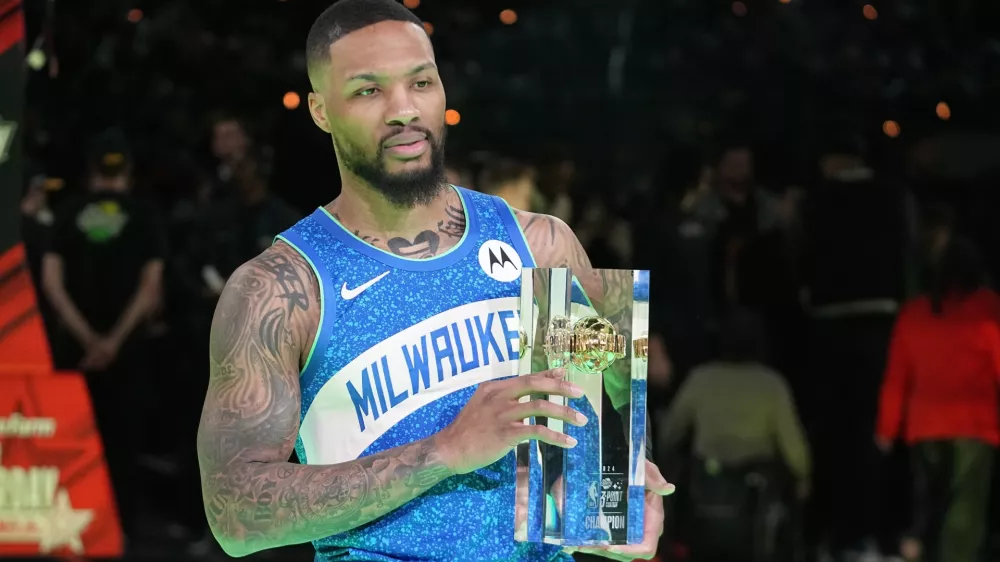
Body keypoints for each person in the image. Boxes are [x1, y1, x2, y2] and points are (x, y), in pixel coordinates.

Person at [195, 1, 674, 561]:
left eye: (420, 82)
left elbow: (607, 408)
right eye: (368, 91)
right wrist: (445, 450)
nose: (403, 109)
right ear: (321, 111)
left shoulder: (540, 244)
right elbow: (235, 513)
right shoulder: (280, 289)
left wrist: (614, 494)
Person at [41, 129, 167, 542]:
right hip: (127, 354)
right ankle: (119, 533)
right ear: (127, 169)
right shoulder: (146, 215)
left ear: (89, 170)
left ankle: (70, 532)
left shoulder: (66, 212)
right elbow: (151, 288)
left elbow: (52, 284)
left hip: (74, 352)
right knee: (122, 445)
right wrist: (113, 342)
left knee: (74, 443)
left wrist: (87, 340)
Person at [876, 237, 1000, 562]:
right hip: (975, 426)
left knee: (929, 507)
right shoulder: (989, 308)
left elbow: (897, 378)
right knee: (964, 517)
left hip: (924, 427)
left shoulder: (913, 312)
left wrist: (886, 430)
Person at [657, 308, 810, 561]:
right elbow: (797, 453)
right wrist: (804, 479)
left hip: (705, 498)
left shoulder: (701, 379)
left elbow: (669, 436)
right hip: (755, 504)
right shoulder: (771, 384)